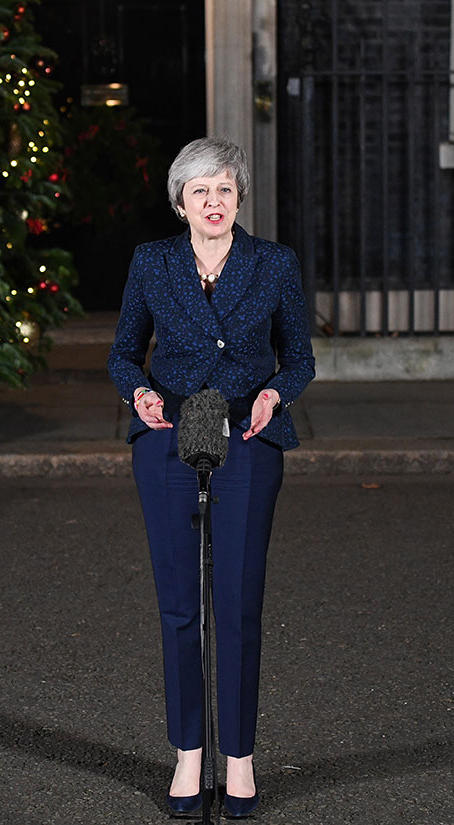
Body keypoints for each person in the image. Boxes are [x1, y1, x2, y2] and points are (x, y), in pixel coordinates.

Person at [108, 136, 315, 818]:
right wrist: (138, 392)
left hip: (248, 435)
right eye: (200, 191)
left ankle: (240, 757)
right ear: (180, 203)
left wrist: (274, 394)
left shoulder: (274, 264)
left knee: (238, 601)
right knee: (180, 605)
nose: (214, 202)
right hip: (169, 433)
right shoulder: (152, 262)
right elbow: (123, 354)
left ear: (239, 197)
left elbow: (301, 359)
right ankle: (188, 754)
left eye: (224, 189)